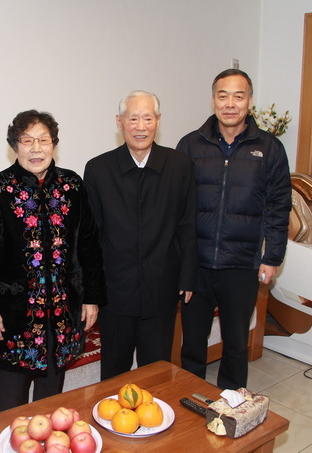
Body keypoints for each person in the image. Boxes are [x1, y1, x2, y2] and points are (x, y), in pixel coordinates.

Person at [0, 110, 107, 412]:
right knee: (11, 408)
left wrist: (92, 297)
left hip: (62, 313)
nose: (36, 148)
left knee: (51, 406)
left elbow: (88, 245)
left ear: (54, 144)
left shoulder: (72, 185)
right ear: (14, 146)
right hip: (12, 316)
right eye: (27, 140)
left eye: (43, 140)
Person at [176, 69, 292, 390]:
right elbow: (175, 205)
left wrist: (272, 258)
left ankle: (231, 404)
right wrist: (177, 259)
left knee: (236, 343)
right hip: (196, 264)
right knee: (192, 343)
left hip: (242, 264)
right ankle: (191, 399)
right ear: (213, 100)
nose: (230, 104)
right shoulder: (190, 144)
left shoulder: (270, 148)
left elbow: (279, 207)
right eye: (223, 96)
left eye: (238, 96)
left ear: (250, 101)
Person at [83, 90, 198, 381]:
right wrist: (91, 291)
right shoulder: (98, 169)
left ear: (158, 121)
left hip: (162, 287)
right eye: (133, 118)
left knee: (156, 372)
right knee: (114, 373)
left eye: (147, 118)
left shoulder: (180, 166)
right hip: (115, 291)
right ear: (119, 122)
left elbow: (187, 225)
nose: (140, 126)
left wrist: (187, 276)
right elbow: (90, 237)